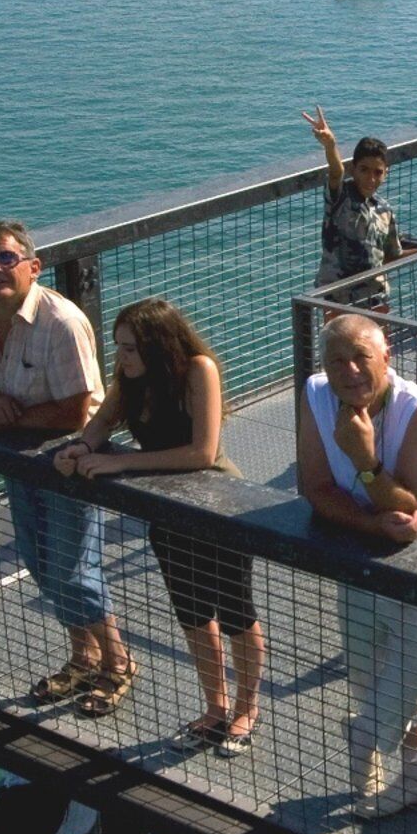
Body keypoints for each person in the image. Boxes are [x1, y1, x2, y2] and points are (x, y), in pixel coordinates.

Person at [57, 300, 263, 756]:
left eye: (130, 348)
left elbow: (201, 453)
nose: (122, 357)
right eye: (119, 348)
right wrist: (79, 447)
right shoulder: (130, 379)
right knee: (192, 615)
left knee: (236, 613)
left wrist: (117, 462)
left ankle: (247, 708)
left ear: (156, 344)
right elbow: (101, 422)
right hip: (168, 513)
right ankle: (215, 707)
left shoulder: (197, 370)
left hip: (219, 510)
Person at [0, 219, 126, 703]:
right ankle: (83, 657)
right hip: (20, 462)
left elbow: (74, 410)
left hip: (69, 459)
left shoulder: (61, 323)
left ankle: (118, 662)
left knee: (73, 568)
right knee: (40, 563)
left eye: (6, 258)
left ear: (33, 266)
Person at [295, 316, 417, 818]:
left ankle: (363, 734)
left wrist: (365, 460)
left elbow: (412, 513)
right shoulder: (315, 393)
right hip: (364, 558)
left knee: (403, 683)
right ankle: (416, 776)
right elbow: (316, 488)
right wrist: (374, 527)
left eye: (360, 358)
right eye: (336, 362)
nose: (348, 372)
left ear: (386, 355)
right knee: (371, 678)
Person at [306, 108, 417, 311]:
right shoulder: (340, 197)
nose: (371, 179)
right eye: (364, 170)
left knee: (378, 344)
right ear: (353, 169)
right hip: (337, 300)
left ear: (386, 173)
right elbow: (335, 172)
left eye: (378, 172)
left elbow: (391, 255)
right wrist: (330, 145)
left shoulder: (384, 210)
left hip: (374, 298)